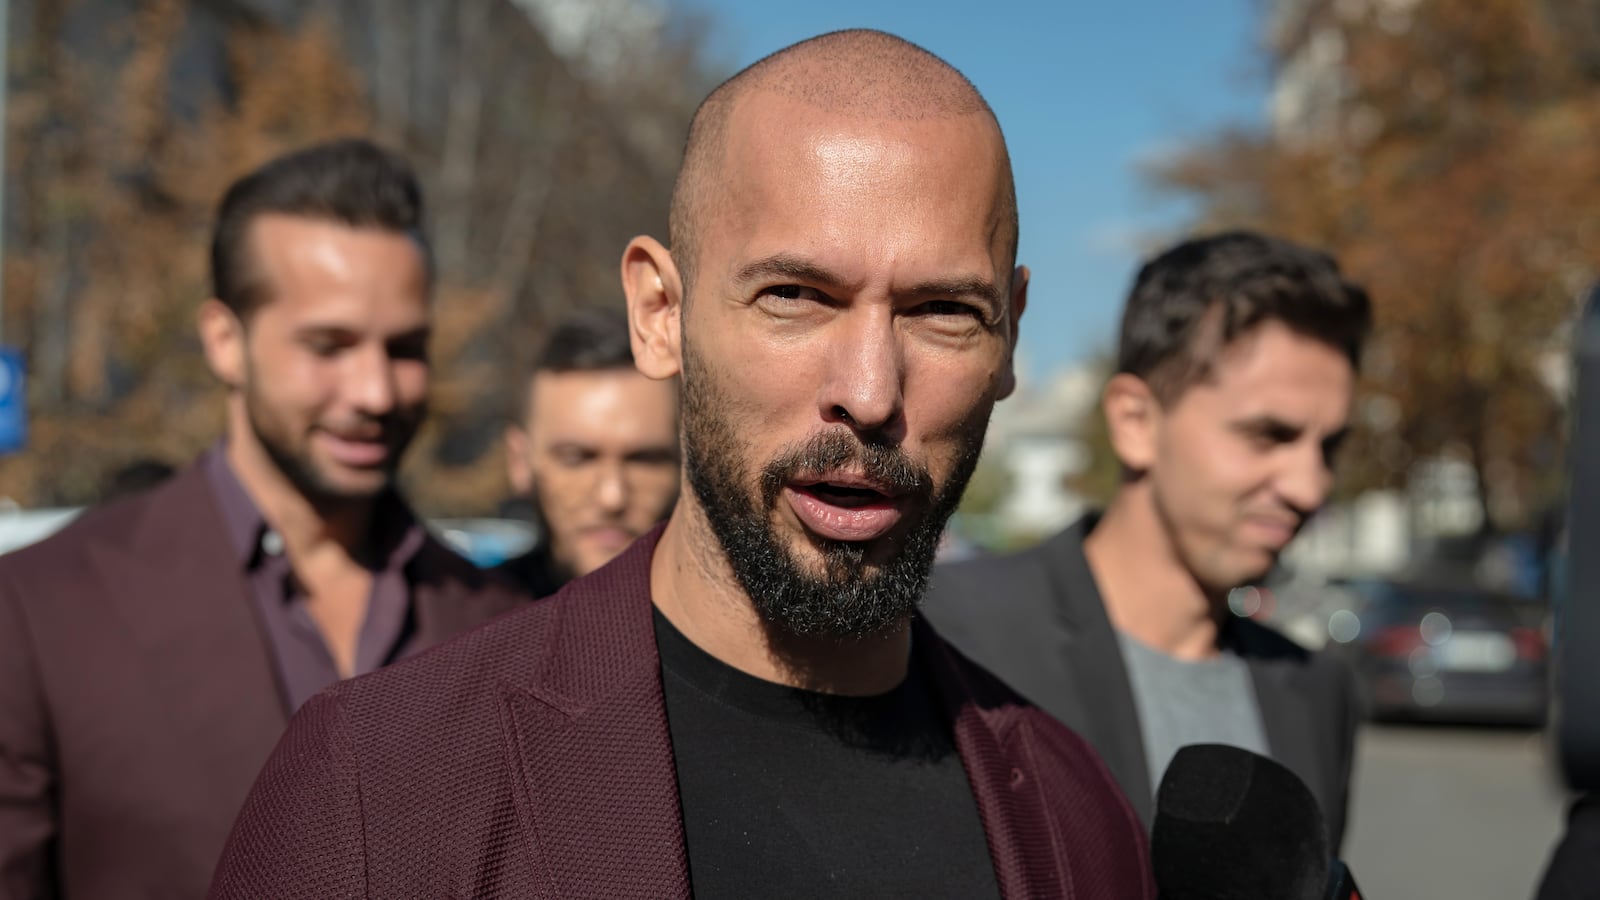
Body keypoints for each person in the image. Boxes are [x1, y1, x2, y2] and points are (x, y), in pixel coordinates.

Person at [206, 30, 1153, 899]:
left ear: (1012, 338)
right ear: (660, 313)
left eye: (943, 311)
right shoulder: (383, 789)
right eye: (795, 296)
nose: (869, 393)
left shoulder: (1076, 821)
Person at [0, 139, 526, 899]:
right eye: (329, 345)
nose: (375, 390)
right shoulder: (40, 609)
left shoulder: (499, 617)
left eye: (405, 348)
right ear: (225, 341)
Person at [924, 230, 1371, 850]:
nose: (1310, 485)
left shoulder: (1318, 691)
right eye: (1268, 435)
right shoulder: (947, 634)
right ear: (1136, 422)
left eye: (1330, 447)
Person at [496, 306, 679, 596]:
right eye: (576, 459)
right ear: (520, 461)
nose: (612, 497)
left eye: (644, 460)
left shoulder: (741, 631)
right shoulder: (477, 626)